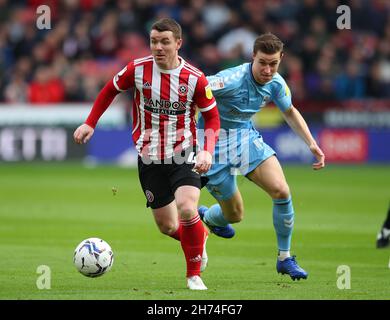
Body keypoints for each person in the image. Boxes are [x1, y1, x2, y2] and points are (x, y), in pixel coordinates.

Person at [73, 18, 220, 290]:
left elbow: (212, 118)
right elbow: (109, 90)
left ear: (178, 43)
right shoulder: (137, 69)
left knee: (187, 208)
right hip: (149, 156)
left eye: (165, 42)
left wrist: (207, 151)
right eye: (154, 41)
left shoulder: (195, 78)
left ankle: (193, 275)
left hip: (182, 152)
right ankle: (200, 236)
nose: (158, 47)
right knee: (167, 226)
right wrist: (90, 122)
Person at [197, 33, 325, 281]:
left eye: (273, 64)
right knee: (235, 215)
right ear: (252, 57)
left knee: (281, 190)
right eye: (263, 62)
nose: (267, 70)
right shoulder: (229, 80)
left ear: (281, 59)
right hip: (213, 144)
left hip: (245, 139)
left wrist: (311, 143)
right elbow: (196, 90)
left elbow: (289, 111)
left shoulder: (276, 82)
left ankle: (284, 258)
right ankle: (208, 217)